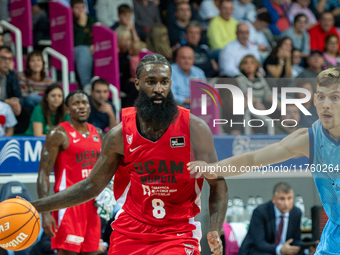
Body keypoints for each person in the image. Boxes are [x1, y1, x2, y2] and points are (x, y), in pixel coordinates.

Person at [31, 54, 228, 255]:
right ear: (137, 84)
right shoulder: (118, 135)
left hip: (176, 231)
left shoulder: (194, 128)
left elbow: (218, 182)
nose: (158, 89)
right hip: (131, 230)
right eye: (151, 82)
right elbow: (91, 186)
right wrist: (34, 207)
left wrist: (215, 226)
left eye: (164, 82)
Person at [189, 67, 340, 255]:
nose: (326, 104)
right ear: (315, 99)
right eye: (322, 97)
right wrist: (213, 168)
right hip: (333, 240)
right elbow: (252, 159)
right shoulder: (310, 138)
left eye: (335, 97)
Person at [35, 90, 103, 254]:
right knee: (68, 253)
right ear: (67, 109)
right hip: (68, 204)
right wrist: (45, 212)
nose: (81, 107)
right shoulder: (58, 133)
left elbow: (103, 171)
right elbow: (43, 174)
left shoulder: (98, 133)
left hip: (93, 205)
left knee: (92, 252)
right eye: (76, 103)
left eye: (85, 103)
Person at [238, 182, 303, 255]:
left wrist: (307, 247)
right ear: (273, 199)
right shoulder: (260, 212)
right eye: (282, 199)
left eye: (289, 198)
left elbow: (296, 240)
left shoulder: (296, 213)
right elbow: (260, 243)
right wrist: (280, 249)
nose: (286, 203)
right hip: (260, 251)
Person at [72, 0, 96, 89]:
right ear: (72, 9)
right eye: (77, 8)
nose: (81, 10)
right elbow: (77, 43)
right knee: (83, 50)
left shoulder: (91, 19)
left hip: (91, 49)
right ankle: (87, 85)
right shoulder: (69, 21)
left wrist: (95, 44)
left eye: (83, 7)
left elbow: (99, 34)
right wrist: (82, 25)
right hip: (76, 51)